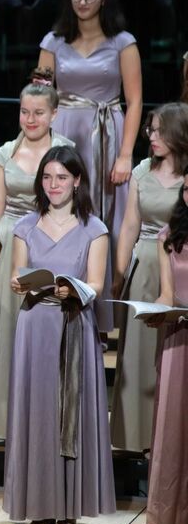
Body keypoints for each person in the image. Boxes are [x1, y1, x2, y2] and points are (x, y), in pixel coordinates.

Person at [5, 145, 114, 524]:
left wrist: (75, 290)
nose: (54, 185)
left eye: (62, 178)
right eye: (48, 177)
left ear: (77, 181)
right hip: (35, 326)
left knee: (69, 414)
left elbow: (98, 283)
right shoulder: (25, 226)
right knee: (38, 413)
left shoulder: (94, 228)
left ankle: (68, 508)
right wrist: (20, 283)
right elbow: (18, 276)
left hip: (73, 323)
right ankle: (39, 507)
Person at [0, 71, 73, 443]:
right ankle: (4, 423)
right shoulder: (6, 152)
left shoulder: (65, 150)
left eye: (38, 112)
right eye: (24, 112)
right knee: (6, 328)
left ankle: (42, 421)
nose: (30, 119)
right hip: (10, 241)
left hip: (50, 241)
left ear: (54, 114)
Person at [37, 0, 141, 243]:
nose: (82, 2)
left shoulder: (123, 42)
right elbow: (40, 97)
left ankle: (107, 280)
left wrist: (126, 154)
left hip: (107, 131)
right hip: (65, 130)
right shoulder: (53, 41)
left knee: (109, 209)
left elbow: (135, 101)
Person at [110, 103, 186, 452]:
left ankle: (170, 437)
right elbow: (129, 225)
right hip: (145, 266)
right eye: (150, 131)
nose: (152, 137)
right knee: (140, 356)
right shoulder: (141, 172)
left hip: (181, 267)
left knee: (173, 357)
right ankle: (137, 436)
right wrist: (119, 272)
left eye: (158, 131)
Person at [145, 175, 188, 524]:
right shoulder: (168, 236)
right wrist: (157, 312)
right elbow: (167, 293)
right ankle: (183, 519)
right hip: (180, 340)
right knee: (178, 429)